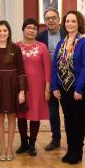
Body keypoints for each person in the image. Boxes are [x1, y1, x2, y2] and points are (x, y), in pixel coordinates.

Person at [51, 10, 85, 165]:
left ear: (79, 23)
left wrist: (80, 89)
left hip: (79, 88)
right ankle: (70, 149)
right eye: (67, 21)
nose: (70, 24)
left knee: (77, 119)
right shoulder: (61, 43)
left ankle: (78, 151)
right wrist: (55, 86)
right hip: (63, 88)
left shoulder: (84, 43)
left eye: (73, 21)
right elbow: (54, 65)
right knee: (68, 119)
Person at [0, 20, 27, 161]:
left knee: (12, 116)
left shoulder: (15, 48)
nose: (2, 33)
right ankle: (2, 148)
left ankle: (9, 148)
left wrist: (22, 91)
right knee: (0, 117)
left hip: (12, 85)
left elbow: (21, 71)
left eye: (5, 31)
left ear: (9, 32)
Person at [16, 18, 51, 156]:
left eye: (34, 28)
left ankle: (32, 144)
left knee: (35, 116)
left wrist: (47, 89)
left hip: (38, 88)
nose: (31, 30)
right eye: (28, 27)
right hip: (20, 88)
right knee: (21, 115)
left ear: (37, 31)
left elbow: (47, 69)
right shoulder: (16, 46)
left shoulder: (42, 47)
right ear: (23, 29)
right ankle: (24, 142)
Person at [36, 8, 65, 151]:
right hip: (50, 79)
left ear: (59, 19)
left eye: (53, 17)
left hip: (67, 78)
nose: (51, 20)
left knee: (69, 111)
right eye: (47, 18)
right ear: (44, 21)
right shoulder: (40, 37)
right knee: (53, 112)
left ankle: (73, 139)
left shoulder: (68, 34)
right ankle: (56, 138)